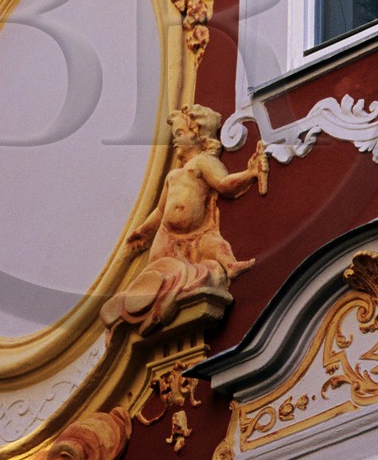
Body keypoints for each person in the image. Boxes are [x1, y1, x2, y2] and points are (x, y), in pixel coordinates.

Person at [101, 105, 267, 338]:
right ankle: (148, 308)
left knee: (218, 249)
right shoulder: (173, 175)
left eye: (179, 134)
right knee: (157, 276)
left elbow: (223, 184)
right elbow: (159, 212)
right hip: (167, 237)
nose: (175, 142)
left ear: (198, 135)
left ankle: (229, 267)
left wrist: (249, 174)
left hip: (198, 234)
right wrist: (143, 231)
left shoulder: (203, 163)